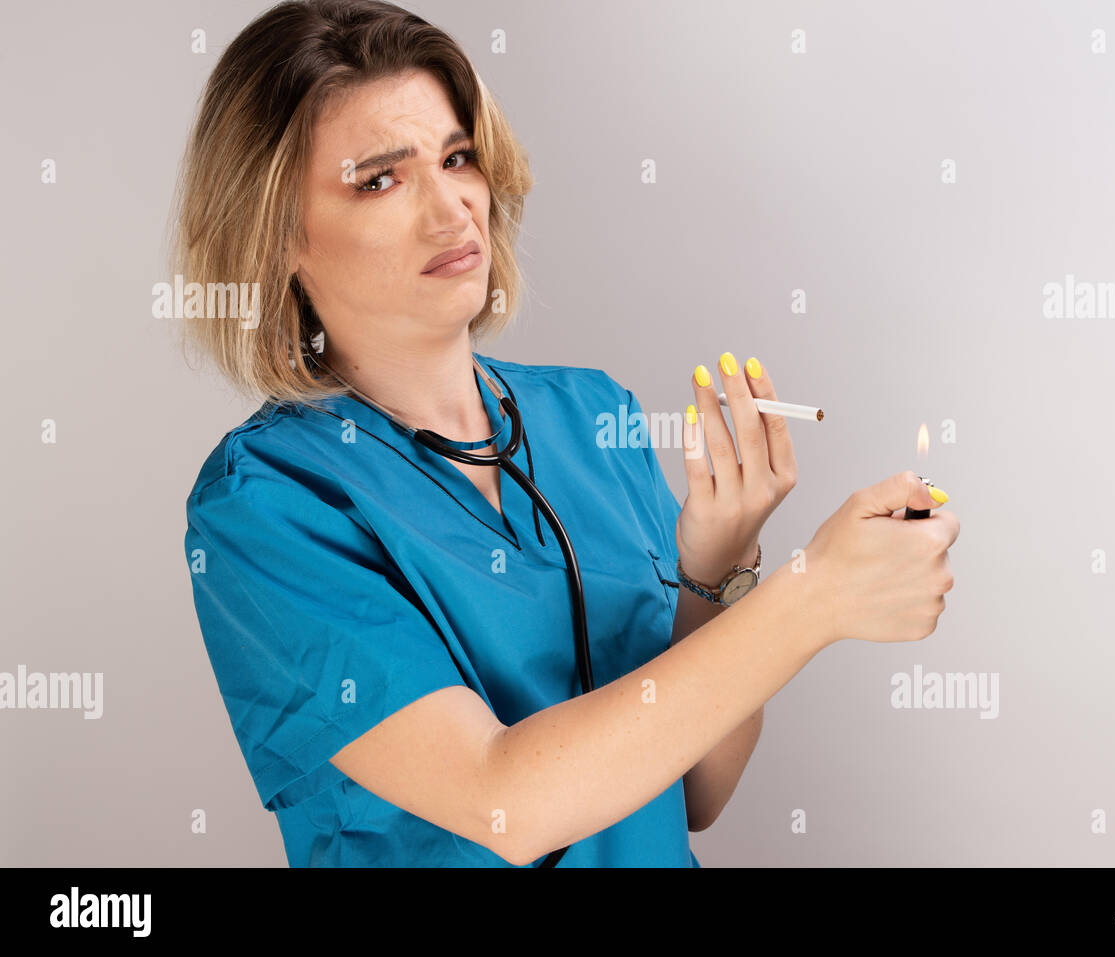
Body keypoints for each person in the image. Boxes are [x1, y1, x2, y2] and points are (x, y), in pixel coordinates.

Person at [175, 0, 959, 867]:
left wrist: (718, 571)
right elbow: (504, 798)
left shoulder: (593, 417)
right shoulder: (268, 504)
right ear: (277, 232)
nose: (452, 210)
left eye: (457, 157)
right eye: (379, 179)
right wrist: (813, 598)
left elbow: (697, 791)